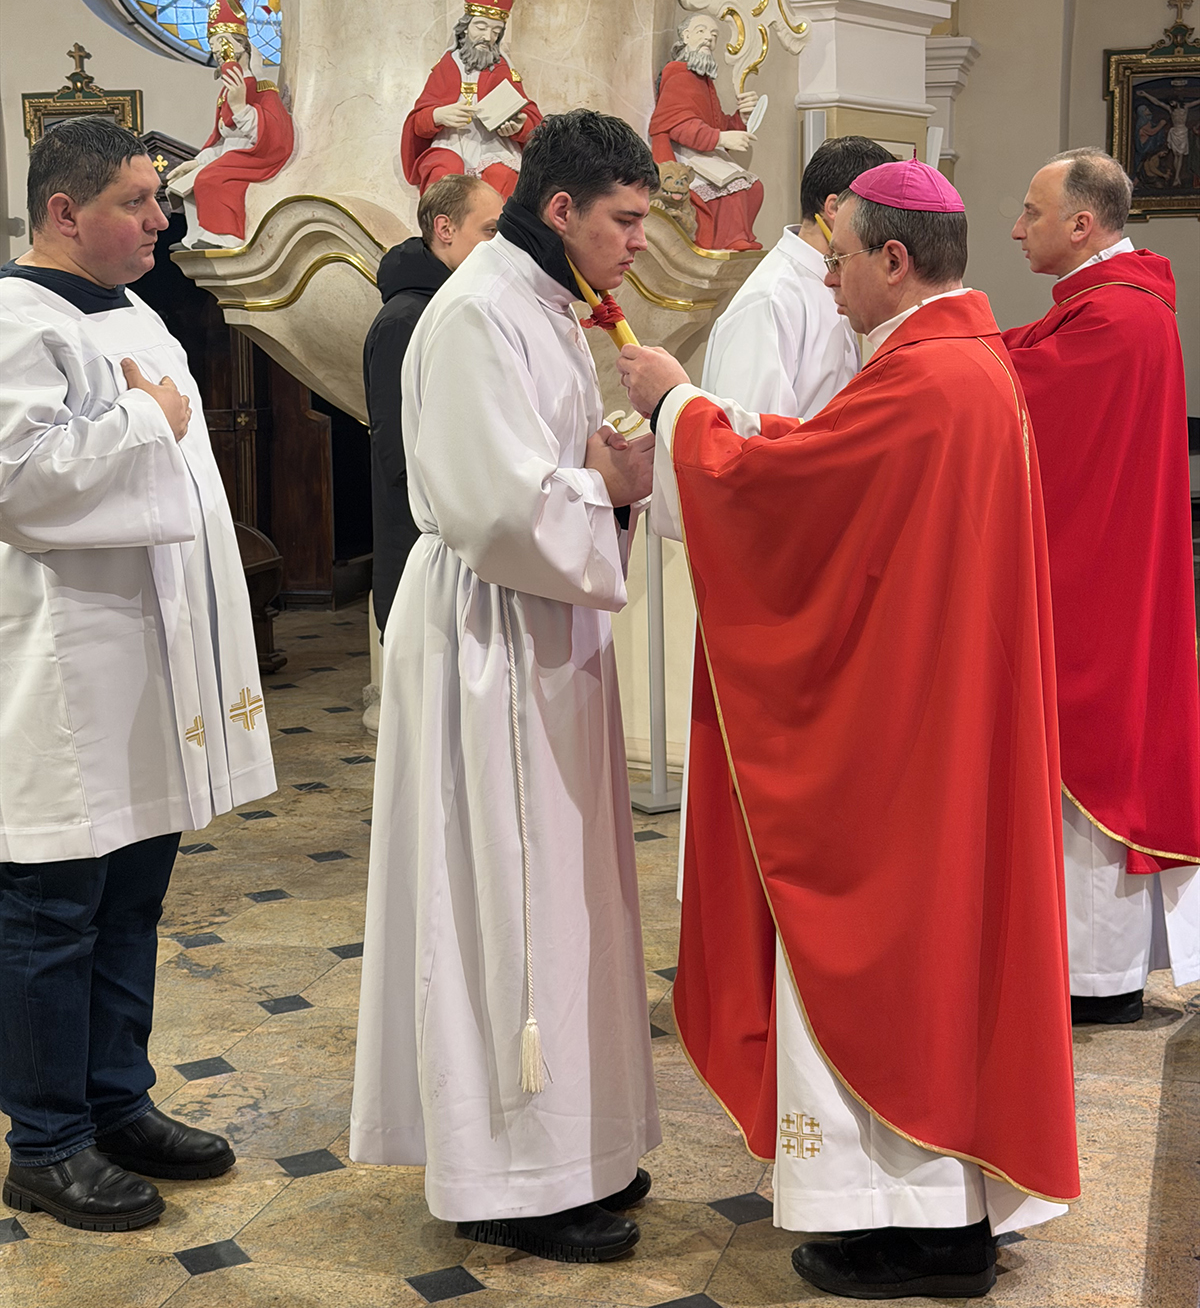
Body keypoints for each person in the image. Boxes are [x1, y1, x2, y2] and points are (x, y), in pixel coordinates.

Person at [617, 156, 1079, 1300]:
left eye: (840, 259)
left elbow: (792, 493)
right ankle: (943, 1214)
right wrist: (736, 422)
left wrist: (679, 405)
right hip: (942, 715)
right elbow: (830, 462)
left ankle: (919, 1231)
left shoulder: (927, 377)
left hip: (900, 742)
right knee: (946, 967)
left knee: (891, 959)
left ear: (894, 257)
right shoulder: (967, 364)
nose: (826, 280)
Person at [350, 110, 661, 1263]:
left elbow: (550, 476)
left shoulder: (543, 302)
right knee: (502, 894)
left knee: (561, 893)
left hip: (541, 628)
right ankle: (509, 1178)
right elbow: (496, 510)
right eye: (625, 219)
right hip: (487, 633)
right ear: (562, 208)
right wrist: (606, 490)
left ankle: (577, 1146)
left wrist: (608, 479)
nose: (641, 241)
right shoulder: (480, 309)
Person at [0, 118, 275, 1232]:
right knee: (52, 911)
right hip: (62, 669)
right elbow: (18, 481)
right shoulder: (16, 321)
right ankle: (46, 1141)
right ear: (65, 212)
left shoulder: (132, 310)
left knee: (130, 897)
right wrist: (141, 420)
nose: (164, 218)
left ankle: (117, 1102)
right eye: (137, 200)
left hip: (146, 658)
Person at [1005, 148, 1199, 1024]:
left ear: (1083, 224)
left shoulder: (1114, 319)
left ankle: (1096, 979)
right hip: (1119, 566)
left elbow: (1019, 391)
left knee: (1091, 768)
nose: (1017, 228)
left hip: (1096, 581)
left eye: (1032, 212)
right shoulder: (1116, 305)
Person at [364, 173, 502, 638]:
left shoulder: (456, 305)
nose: (499, 245)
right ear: (445, 229)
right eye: (489, 230)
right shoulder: (405, 320)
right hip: (424, 552)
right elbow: (400, 454)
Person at [701, 135, 894, 415]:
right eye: (879, 211)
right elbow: (751, 433)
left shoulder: (841, 281)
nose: (887, 226)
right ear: (834, 208)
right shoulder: (770, 300)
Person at [401, 0, 543, 198]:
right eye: (481, 27)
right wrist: (438, 115)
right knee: (445, 173)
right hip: (451, 142)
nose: (488, 37)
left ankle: (495, 224)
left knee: (503, 175)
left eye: (496, 31)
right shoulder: (448, 65)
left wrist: (519, 126)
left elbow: (531, 118)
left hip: (494, 147)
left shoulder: (502, 68)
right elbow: (418, 120)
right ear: (465, 27)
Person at [167, 0, 294, 248]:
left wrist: (241, 108)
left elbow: (274, 136)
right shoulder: (226, 92)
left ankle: (223, 236)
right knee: (185, 183)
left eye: (221, 42)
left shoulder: (262, 88)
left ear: (241, 45)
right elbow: (222, 141)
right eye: (213, 44)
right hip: (233, 156)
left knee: (212, 178)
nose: (216, 49)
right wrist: (197, 161)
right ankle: (194, 237)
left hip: (256, 157)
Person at [649, 14, 762, 251]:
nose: (709, 38)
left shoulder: (703, 80)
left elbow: (716, 123)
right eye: (701, 31)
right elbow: (677, 124)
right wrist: (720, 138)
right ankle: (729, 241)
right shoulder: (677, 72)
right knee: (734, 185)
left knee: (754, 187)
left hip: (703, 151)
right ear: (685, 36)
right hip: (683, 155)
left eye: (714, 35)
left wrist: (741, 118)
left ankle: (738, 238)